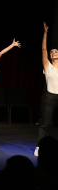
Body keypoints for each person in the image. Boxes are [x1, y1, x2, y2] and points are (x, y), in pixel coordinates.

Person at [35, 22, 58, 157]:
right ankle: (38, 147)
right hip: (50, 97)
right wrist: (45, 33)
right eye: (52, 52)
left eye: (56, 51)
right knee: (44, 123)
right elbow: (43, 49)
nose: (53, 52)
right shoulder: (47, 66)